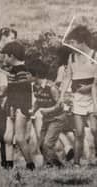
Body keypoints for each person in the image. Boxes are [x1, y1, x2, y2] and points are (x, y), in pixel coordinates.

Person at [60, 25, 97, 167]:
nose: (71, 46)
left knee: (94, 129)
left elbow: (96, 82)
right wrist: (61, 95)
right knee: (79, 132)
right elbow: (68, 77)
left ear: (81, 41)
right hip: (77, 98)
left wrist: (87, 88)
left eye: (73, 42)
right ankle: (76, 163)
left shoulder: (95, 56)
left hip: (93, 96)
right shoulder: (72, 57)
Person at [2, 41, 36, 170]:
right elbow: (11, 92)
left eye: (5, 56)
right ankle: (9, 165)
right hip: (14, 106)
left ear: (12, 56)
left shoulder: (21, 71)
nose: (4, 59)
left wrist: (15, 108)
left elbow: (21, 93)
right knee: (8, 137)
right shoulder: (15, 70)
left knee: (20, 138)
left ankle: (30, 164)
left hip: (20, 107)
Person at [30, 60, 66, 168]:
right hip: (46, 119)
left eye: (28, 74)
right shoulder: (34, 86)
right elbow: (38, 100)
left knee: (47, 144)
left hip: (57, 118)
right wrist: (33, 109)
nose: (26, 76)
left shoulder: (51, 87)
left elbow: (60, 105)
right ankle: (49, 164)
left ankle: (58, 165)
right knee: (41, 145)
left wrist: (48, 110)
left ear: (36, 75)